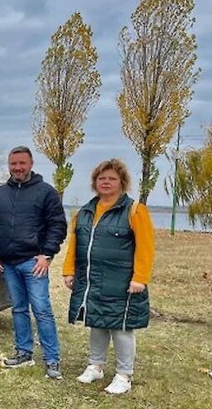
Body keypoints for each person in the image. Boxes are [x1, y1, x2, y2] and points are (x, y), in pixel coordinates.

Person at [64, 159, 155, 394]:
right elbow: (75, 244)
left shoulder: (135, 210)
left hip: (122, 282)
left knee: (121, 327)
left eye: (112, 178)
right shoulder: (85, 211)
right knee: (96, 322)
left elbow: (145, 247)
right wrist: (69, 271)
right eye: (101, 178)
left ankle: (124, 375)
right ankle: (96, 366)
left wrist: (140, 278)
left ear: (121, 182)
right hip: (91, 280)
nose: (106, 182)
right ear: (95, 182)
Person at [0, 146, 67, 379]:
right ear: (9, 166)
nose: (18, 168)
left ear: (31, 164)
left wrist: (47, 254)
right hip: (8, 263)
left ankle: (52, 360)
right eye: (13, 164)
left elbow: (57, 226)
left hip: (34, 262)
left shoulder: (46, 193)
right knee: (19, 309)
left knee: (41, 310)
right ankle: (23, 353)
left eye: (22, 163)